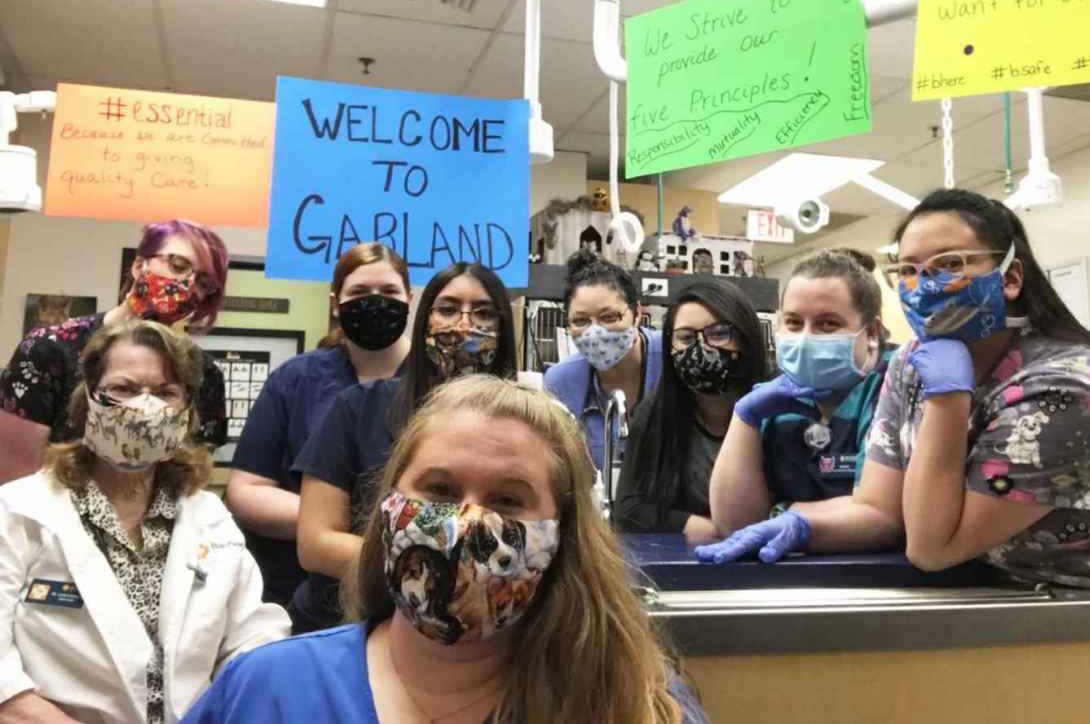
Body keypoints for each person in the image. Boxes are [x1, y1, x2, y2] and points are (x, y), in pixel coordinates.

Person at [702, 189, 1090, 724]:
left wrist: (947, 399)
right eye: (910, 271)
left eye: (949, 264)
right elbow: (879, 506)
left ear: (1010, 278)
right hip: (1046, 619)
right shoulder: (916, 361)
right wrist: (800, 524)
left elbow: (932, 545)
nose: (925, 286)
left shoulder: (1067, 389)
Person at [180, 375, 707, 724]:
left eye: (507, 499)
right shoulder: (268, 690)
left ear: (561, 538)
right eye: (439, 491)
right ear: (388, 507)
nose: (465, 522)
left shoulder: (634, 704)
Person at [0, 320, 288, 724]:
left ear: (186, 412)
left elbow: (252, 634)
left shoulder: (208, 517)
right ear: (88, 402)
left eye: (166, 392)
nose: (145, 407)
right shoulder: (20, 510)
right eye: (124, 388)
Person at [291, 262, 516, 633]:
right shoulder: (358, 407)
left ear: (504, 328)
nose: (463, 324)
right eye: (447, 309)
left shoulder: (523, 425)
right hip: (352, 621)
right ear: (423, 320)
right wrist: (431, 560)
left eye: (483, 312)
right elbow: (315, 544)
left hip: (472, 630)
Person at [226, 243, 413, 606]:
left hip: (406, 595)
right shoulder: (296, 380)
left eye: (389, 292)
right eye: (359, 292)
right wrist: (324, 524)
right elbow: (246, 490)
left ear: (409, 297)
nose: (375, 302)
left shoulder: (438, 383)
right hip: (303, 592)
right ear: (335, 302)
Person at [0, 219, 230, 483]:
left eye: (204, 282)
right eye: (177, 266)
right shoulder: (49, 349)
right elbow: (13, 479)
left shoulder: (203, 373)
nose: (187, 284)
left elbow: (189, 474)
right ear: (139, 264)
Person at [704, 249, 895, 553]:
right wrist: (745, 419)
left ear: (870, 331)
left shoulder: (893, 387)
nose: (806, 338)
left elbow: (884, 514)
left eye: (827, 324)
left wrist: (784, 513)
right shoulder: (774, 401)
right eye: (793, 323)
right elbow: (733, 524)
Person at [615, 279, 768, 542]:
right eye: (685, 338)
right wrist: (716, 531)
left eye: (718, 333)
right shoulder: (656, 413)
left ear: (745, 338)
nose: (701, 348)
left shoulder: (774, 405)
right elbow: (630, 509)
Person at [543, 250, 662, 470]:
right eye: (580, 321)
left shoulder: (671, 358)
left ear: (636, 314)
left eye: (609, 317)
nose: (595, 332)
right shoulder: (561, 383)